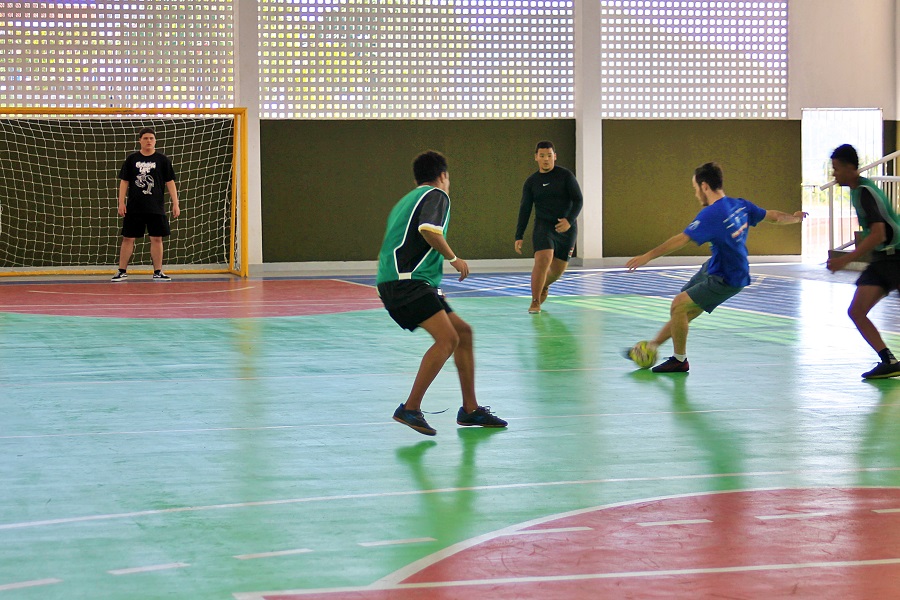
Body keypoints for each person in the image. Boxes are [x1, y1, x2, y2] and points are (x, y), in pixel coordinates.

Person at [625, 162, 806, 373]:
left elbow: (682, 239)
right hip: (715, 266)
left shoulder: (711, 214)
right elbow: (773, 216)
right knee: (682, 310)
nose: (696, 194)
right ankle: (653, 347)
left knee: (679, 306)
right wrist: (795, 218)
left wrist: (647, 256)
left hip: (727, 276)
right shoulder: (739, 204)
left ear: (704, 187)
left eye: (695, 189)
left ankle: (679, 360)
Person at [376, 150, 508, 435]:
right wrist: (453, 258)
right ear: (443, 176)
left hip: (406, 282)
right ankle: (410, 408)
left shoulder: (405, 201)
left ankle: (470, 410)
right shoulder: (437, 195)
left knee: (463, 333)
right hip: (406, 283)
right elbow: (428, 231)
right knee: (447, 339)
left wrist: (434, 289)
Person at [826, 144, 900, 379]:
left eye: (836, 168)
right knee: (857, 311)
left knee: (857, 311)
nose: (834, 174)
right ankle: (889, 360)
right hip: (882, 259)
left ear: (850, 168)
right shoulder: (858, 191)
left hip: (896, 256)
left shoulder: (866, 192)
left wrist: (844, 260)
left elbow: (878, 234)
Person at [514, 140, 584, 314]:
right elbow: (525, 208)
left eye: (549, 156)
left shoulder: (566, 176)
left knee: (558, 271)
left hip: (566, 228)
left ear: (555, 156)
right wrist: (519, 235)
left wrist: (569, 220)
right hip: (543, 227)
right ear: (536, 157)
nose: (546, 159)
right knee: (543, 259)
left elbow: (578, 200)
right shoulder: (532, 182)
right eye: (542, 156)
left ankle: (543, 284)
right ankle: (535, 300)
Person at [111, 127, 180, 282]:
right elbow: (124, 182)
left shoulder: (162, 160)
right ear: (140, 140)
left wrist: (176, 203)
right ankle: (121, 271)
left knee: (157, 238)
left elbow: (170, 182)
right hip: (134, 207)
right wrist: (121, 202)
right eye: (145, 138)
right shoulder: (132, 159)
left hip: (156, 207)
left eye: (151, 138)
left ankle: (158, 272)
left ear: (155, 141)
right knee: (128, 238)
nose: (148, 141)